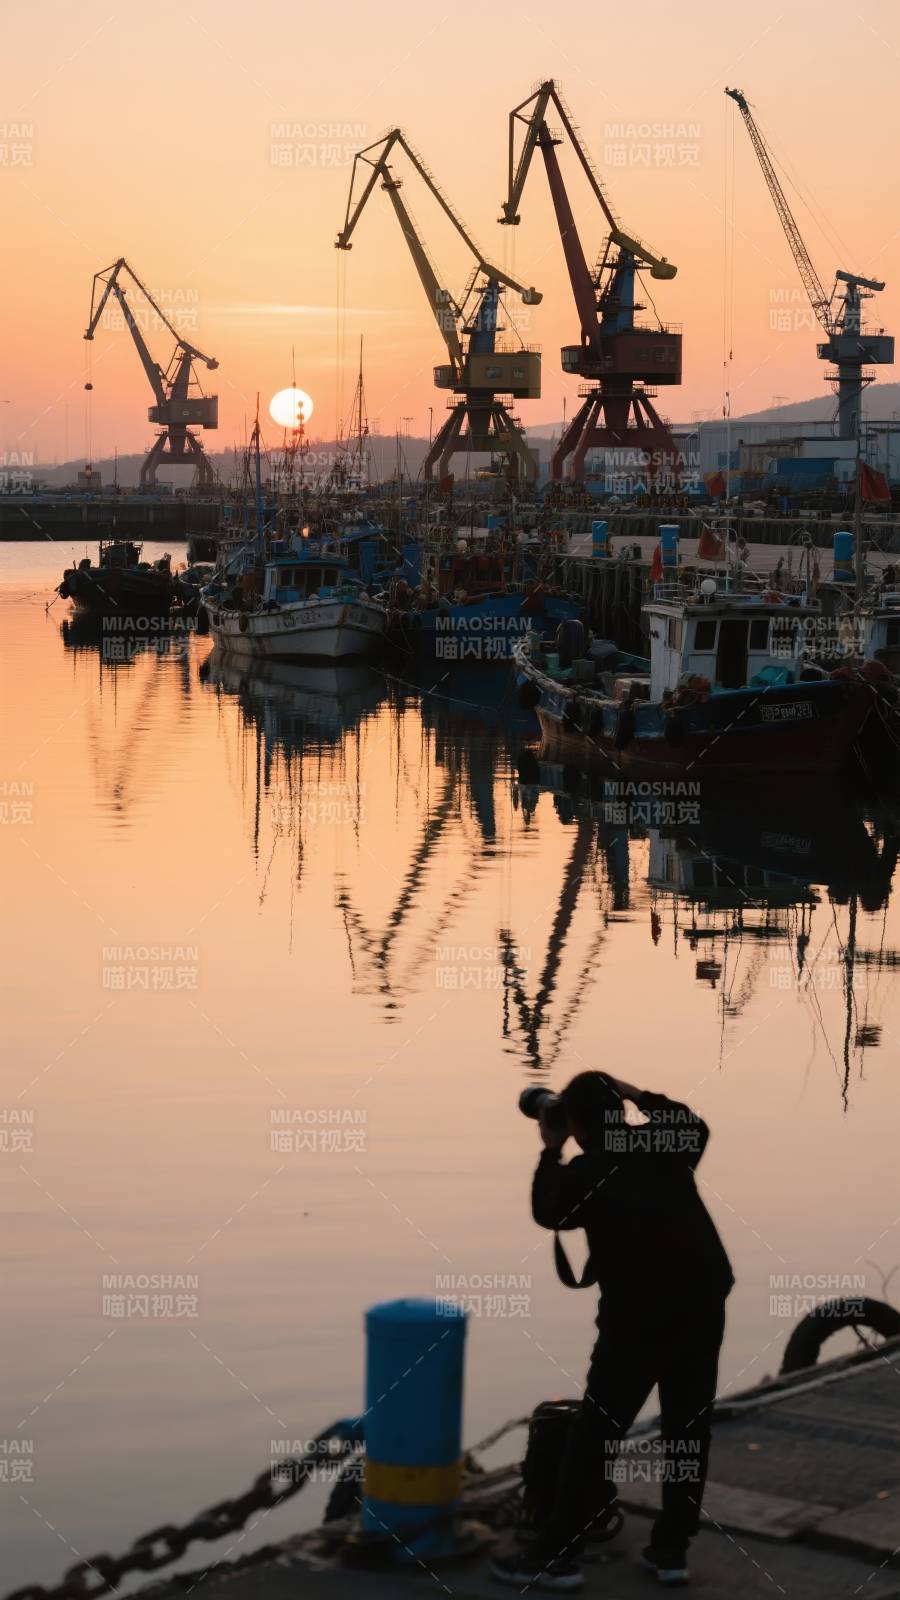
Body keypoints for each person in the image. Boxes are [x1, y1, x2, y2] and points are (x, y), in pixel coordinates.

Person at [491, 1071, 733, 1593]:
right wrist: (632, 1090)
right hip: (701, 1303)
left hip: (638, 1320)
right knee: (688, 1432)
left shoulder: (588, 1171)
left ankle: (557, 1558)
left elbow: (547, 1211)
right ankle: (671, 1552)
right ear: (621, 1112)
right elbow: (694, 1123)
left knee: (595, 1436)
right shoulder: (665, 1145)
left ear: (573, 1125)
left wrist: (549, 1151)